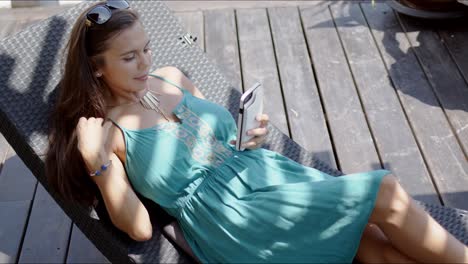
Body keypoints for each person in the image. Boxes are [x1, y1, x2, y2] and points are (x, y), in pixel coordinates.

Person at [45, 1, 468, 263]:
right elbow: (137, 228)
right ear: (97, 66)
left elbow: (215, 142)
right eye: (129, 57)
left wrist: (248, 136)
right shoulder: (109, 134)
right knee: (384, 192)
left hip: (268, 178)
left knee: (371, 245)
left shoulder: (171, 77)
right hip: (234, 219)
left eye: (146, 49)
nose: (145, 63)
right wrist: (96, 162)